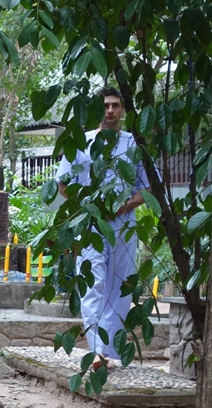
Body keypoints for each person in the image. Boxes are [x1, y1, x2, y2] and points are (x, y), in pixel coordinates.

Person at [56, 86, 149, 370]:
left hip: (124, 226)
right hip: (92, 225)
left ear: (123, 110)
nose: (110, 111)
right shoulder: (82, 143)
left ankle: (111, 351)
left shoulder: (133, 144)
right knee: (93, 284)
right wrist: (89, 206)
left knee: (119, 286)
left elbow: (146, 189)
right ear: (98, 110)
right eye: (106, 105)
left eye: (116, 106)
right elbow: (62, 183)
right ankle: (96, 351)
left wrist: (123, 206)